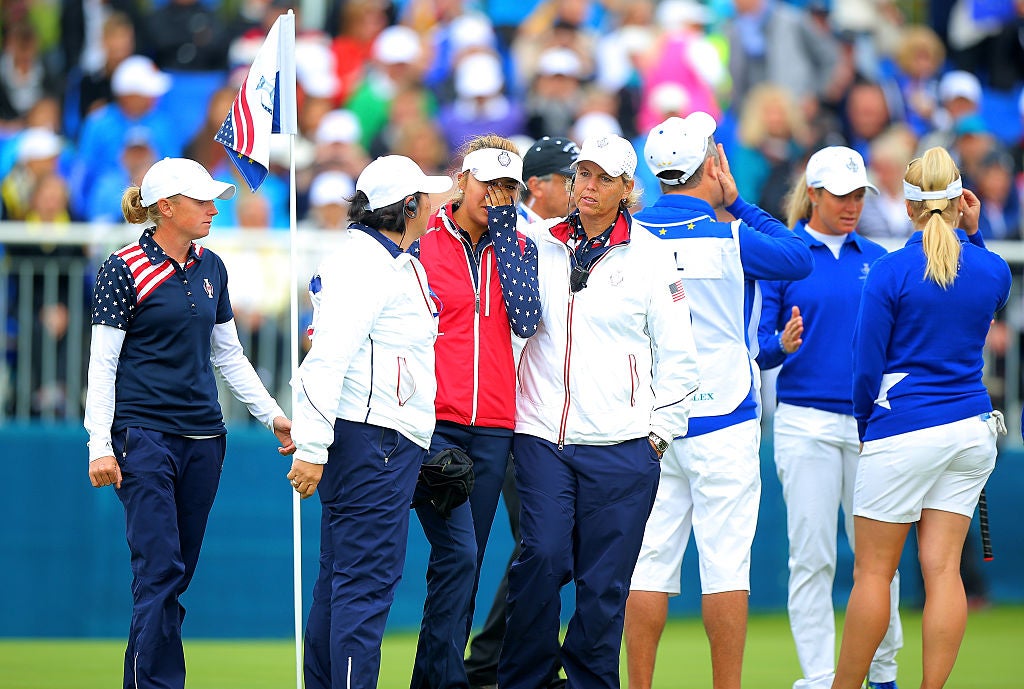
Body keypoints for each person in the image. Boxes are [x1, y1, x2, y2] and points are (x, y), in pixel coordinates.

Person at [498, 133, 702, 689]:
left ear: (627, 189)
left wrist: (658, 435)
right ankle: (524, 681)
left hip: (623, 445)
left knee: (604, 585)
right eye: (582, 173)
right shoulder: (535, 243)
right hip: (542, 435)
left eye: (602, 177)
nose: (587, 185)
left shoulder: (653, 256)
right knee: (539, 559)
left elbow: (680, 356)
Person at [84, 157, 295, 689]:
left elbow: (228, 355)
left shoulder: (213, 267)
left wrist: (272, 414)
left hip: (205, 438)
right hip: (143, 436)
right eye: (200, 200)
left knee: (174, 577)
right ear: (165, 207)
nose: (211, 208)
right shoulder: (124, 267)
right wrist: (98, 445)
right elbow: (102, 363)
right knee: (157, 572)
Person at [624, 112, 814, 689]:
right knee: (725, 565)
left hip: (652, 420)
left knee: (649, 565)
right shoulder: (731, 235)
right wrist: (739, 201)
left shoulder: (629, 236)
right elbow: (797, 255)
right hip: (725, 415)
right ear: (711, 165)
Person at [832, 146, 1011, 689]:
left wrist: (866, 424)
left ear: (908, 207)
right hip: (970, 430)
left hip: (903, 429)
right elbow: (981, 282)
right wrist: (974, 235)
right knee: (944, 572)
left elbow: (867, 364)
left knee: (872, 575)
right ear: (961, 201)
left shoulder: (888, 272)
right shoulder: (992, 268)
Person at [285, 155, 453, 689]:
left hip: (374, 437)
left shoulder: (388, 260)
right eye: (424, 200)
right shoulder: (368, 266)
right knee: (364, 587)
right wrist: (312, 447)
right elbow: (326, 359)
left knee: (342, 585)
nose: (431, 208)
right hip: (373, 440)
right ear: (407, 207)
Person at [755, 146, 903, 689]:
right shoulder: (786, 255)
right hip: (805, 424)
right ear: (814, 194)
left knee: (877, 562)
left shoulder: (878, 257)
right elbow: (759, 345)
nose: (851, 205)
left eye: (859, 194)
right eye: (840, 195)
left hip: (872, 428)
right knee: (811, 559)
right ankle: (821, 677)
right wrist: (781, 345)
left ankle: (882, 674)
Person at [408, 134, 541, 689]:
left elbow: (527, 318)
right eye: (488, 183)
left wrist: (509, 234)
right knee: (458, 557)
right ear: (462, 179)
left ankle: (432, 680)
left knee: (465, 564)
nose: (497, 195)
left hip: (493, 428)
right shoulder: (422, 243)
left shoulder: (520, 245)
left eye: (508, 186)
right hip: (434, 424)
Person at [463, 134, 579, 689]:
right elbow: (525, 323)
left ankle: (495, 658)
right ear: (539, 186)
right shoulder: (522, 237)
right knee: (543, 547)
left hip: (536, 414)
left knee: (547, 549)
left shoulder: (555, 238)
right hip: (510, 415)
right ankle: (506, 662)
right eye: (571, 178)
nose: (581, 189)